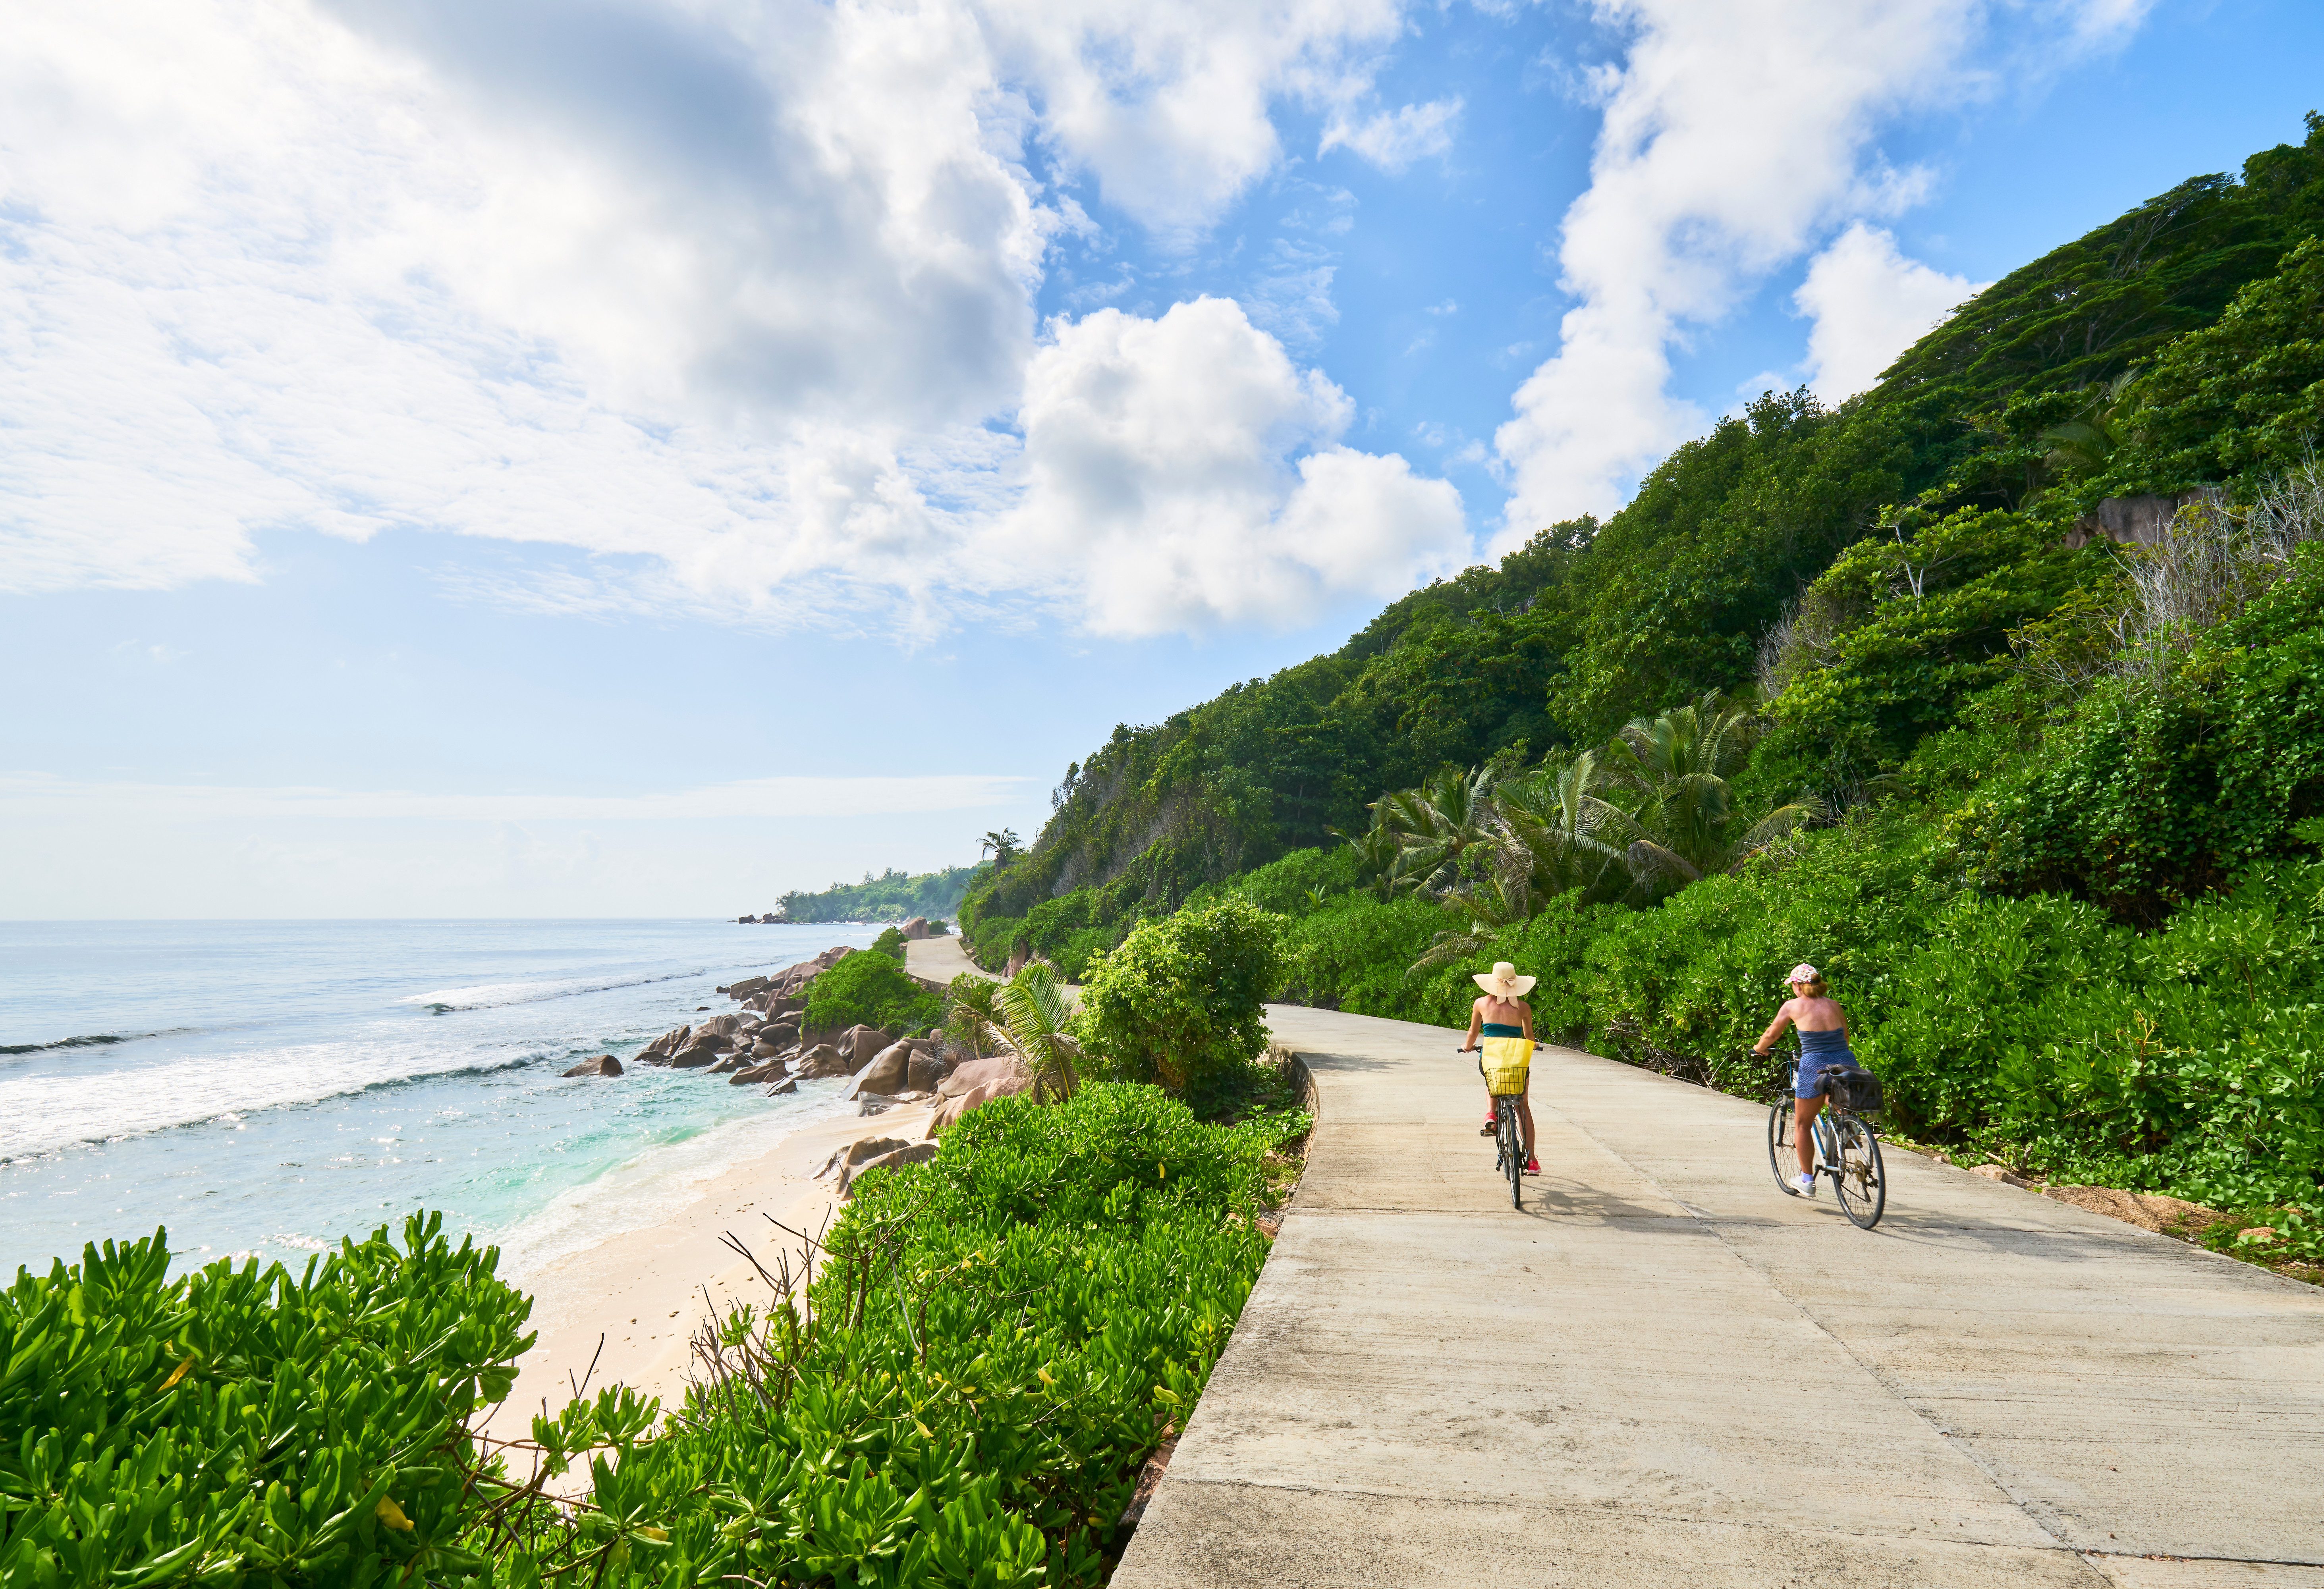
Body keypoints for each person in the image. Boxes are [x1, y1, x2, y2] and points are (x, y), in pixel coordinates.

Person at [1751, 962, 1864, 1196]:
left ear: (1798, 985)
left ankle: (1807, 1180)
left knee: (1803, 1124)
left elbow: (1772, 1034)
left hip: (1814, 1063)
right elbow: (1845, 1036)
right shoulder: (1834, 1005)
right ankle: (1846, 1124)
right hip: (1845, 1060)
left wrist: (1759, 1048)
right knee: (1832, 1093)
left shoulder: (1792, 1006)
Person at [1462, 960, 1540, 1176]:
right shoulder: (1523, 1008)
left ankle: (1491, 1114)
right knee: (1523, 1106)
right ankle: (1532, 1160)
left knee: (1492, 1076)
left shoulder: (1481, 1004)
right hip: (1516, 1061)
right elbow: (1529, 1037)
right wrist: (1534, 1045)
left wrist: (1467, 1047)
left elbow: (1473, 1034)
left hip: (1492, 1059)